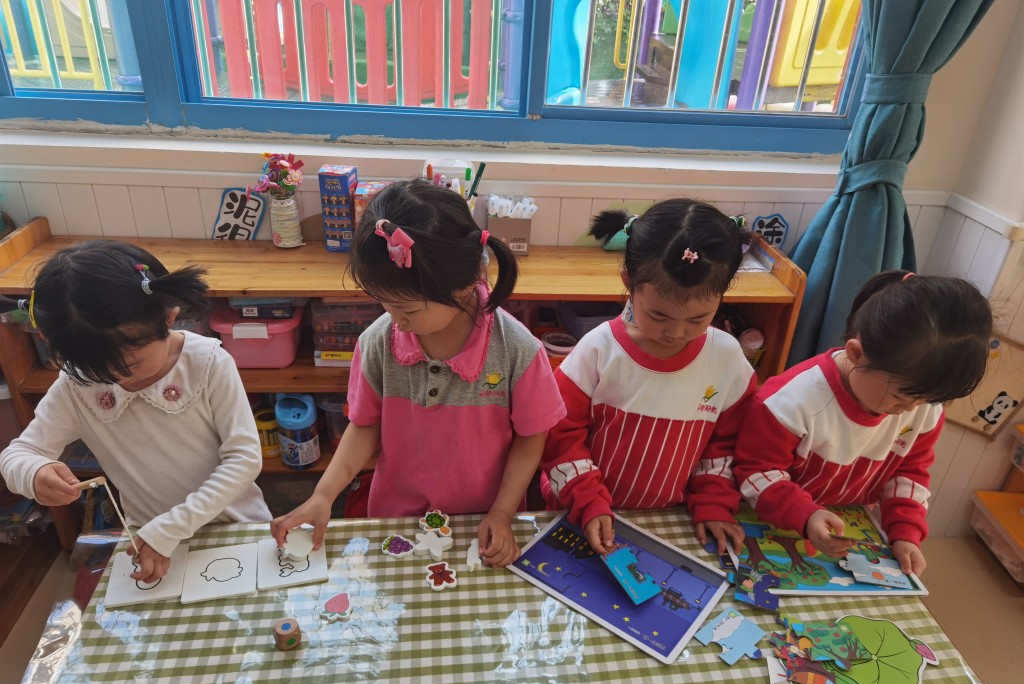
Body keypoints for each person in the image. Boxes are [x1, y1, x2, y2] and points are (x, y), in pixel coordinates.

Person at [270, 179, 565, 567]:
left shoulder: (518, 351)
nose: (396, 321)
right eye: (385, 305)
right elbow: (364, 426)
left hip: (481, 521)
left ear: (463, 286)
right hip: (398, 519)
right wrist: (323, 495)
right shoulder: (378, 342)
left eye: (408, 309)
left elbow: (531, 437)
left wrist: (502, 511)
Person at [0, 241, 269, 582]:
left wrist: (171, 527)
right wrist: (34, 472)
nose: (116, 378)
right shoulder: (79, 384)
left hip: (237, 527)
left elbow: (244, 459)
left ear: (168, 315)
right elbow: (18, 453)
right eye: (97, 369)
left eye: (130, 363)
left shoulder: (207, 363)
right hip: (150, 542)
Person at [733, 270, 993, 575]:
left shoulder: (921, 405)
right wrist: (805, 515)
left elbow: (909, 474)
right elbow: (756, 472)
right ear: (856, 354)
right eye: (901, 396)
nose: (910, 409)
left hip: (848, 530)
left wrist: (905, 533)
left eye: (926, 400)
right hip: (770, 521)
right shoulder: (790, 401)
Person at [541, 200, 757, 555]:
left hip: (671, 520)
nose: (675, 332)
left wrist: (714, 502)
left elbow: (724, 445)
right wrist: (587, 500)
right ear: (628, 282)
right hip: (579, 512)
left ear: (723, 295)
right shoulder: (598, 350)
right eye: (658, 316)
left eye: (697, 319)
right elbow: (558, 437)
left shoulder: (727, 359)